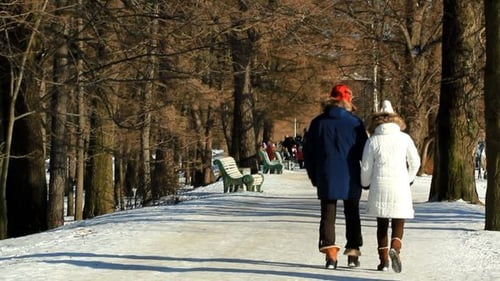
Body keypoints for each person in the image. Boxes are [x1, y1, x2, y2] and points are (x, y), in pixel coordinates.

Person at [303, 84, 368, 270]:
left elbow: (309, 153)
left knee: (327, 214)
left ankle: (330, 255)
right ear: (348, 100)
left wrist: (314, 175)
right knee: (352, 214)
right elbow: (365, 152)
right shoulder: (356, 123)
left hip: (326, 172)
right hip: (350, 174)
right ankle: (353, 252)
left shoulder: (318, 123)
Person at [360, 100, 420, 273]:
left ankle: (384, 261)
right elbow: (415, 162)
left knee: (382, 224)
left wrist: (365, 183)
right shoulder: (405, 138)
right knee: (399, 220)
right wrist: (408, 179)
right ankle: (396, 247)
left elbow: (366, 167)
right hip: (400, 184)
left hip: (380, 184)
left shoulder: (373, 141)